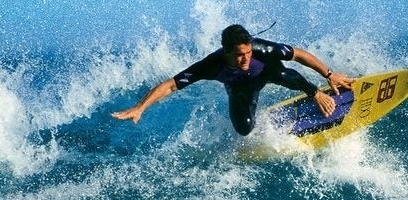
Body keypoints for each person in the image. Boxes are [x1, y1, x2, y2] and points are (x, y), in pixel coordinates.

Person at [112, 24, 355, 136]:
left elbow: (298, 54)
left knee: (281, 73)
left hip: (270, 73)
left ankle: (316, 94)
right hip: (240, 90)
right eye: (239, 55)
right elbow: (171, 85)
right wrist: (140, 107)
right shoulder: (211, 65)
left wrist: (329, 76)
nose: (246, 58)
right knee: (244, 129)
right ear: (226, 51)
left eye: (248, 52)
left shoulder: (262, 50)